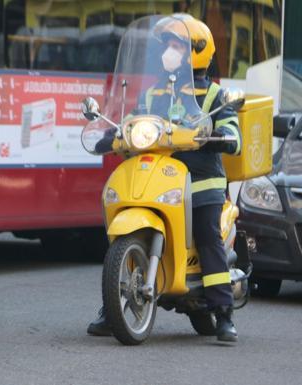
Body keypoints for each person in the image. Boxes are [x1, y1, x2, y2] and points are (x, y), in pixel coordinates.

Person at [87, 14, 241, 343]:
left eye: (177, 46)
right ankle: (111, 305)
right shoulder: (155, 93)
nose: (169, 52)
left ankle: (224, 313)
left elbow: (232, 131)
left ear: (195, 52)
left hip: (201, 182)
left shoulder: (213, 95)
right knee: (122, 237)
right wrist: (113, 135)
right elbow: (132, 121)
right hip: (161, 177)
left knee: (207, 235)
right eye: (167, 45)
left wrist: (224, 136)